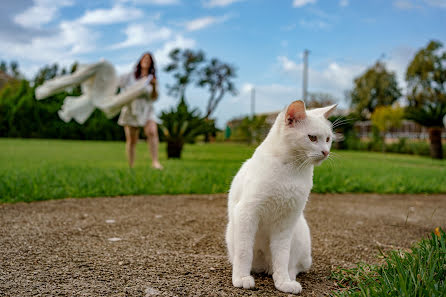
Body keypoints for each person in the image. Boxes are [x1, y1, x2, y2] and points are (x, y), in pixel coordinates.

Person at [118, 52, 163, 169]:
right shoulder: (130, 76)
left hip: (147, 109)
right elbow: (116, 83)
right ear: (140, 61)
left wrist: (153, 86)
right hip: (131, 109)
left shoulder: (151, 79)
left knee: (152, 132)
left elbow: (154, 97)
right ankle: (131, 165)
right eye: (144, 58)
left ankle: (155, 162)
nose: (146, 60)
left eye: (149, 59)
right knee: (132, 140)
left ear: (151, 63)